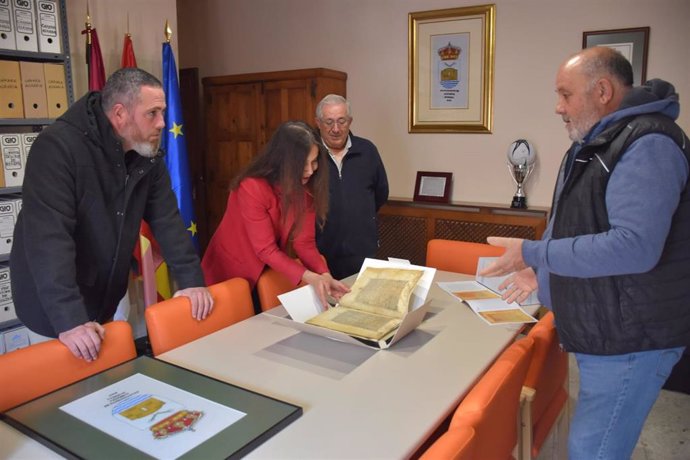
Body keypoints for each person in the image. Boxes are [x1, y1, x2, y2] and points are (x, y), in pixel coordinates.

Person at [480, 46, 690, 459]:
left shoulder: (647, 143)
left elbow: (634, 247)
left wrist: (535, 254)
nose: (558, 107)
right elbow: (580, 225)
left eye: (565, 94)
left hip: (631, 338)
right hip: (610, 330)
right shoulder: (602, 139)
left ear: (603, 90)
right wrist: (540, 274)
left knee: (594, 450)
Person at [11, 68, 213, 362]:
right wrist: (69, 319)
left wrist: (192, 281)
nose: (161, 123)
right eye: (152, 113)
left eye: (162, 112)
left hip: (104, 294)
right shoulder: (57, 147)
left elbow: (167, 220)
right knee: (61, 398)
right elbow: (49, 240)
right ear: (120, 114)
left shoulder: (147, 152)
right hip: (51, 305)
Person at [202, 121, 349, 310]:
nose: (311, 171)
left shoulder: (306, 189)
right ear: (283, 162)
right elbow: (266, 249)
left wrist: (324, 275)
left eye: (314, 162)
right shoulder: (252, 186)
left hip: (265, 271)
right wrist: (310, 277)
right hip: (229, 273)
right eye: (302, 164)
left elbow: (304, 243)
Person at [315, 94, 389, 280]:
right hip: (321, 253)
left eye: (342, 121)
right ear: (318, 123)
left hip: (362, 251)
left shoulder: (367, 150)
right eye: (329, 122)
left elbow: (381, 193)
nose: (336, 129)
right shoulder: (310, 154)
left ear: (350, 121)